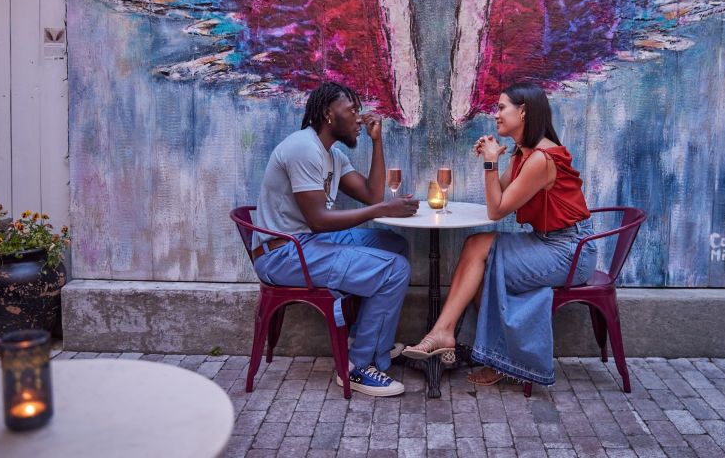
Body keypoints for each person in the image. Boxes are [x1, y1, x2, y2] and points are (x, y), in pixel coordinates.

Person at [403, 81, 595, 387]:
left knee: (486, 264)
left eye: (502, 107)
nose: (496, 115)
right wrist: (494, 163)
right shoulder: (525, 154)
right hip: (549, 242)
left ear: (523, 112)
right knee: (476, 244)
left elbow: (496, 210)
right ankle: (451, 335)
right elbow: (500, 194)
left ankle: (463, 342)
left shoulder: (542, 160)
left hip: (569, 250)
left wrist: (491, 163)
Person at [252, 82, 419, 397]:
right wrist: (384, 208)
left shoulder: (333, 155)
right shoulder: (303, 148)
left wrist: (377, 142)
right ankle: (356, 367)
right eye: (352, 110)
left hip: (306, 243)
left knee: (393, 244)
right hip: (285, 253)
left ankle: (366, 343)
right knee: (393, 270)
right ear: (329, 114)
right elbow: (318, 220)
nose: (359, 118)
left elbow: (371, 195)